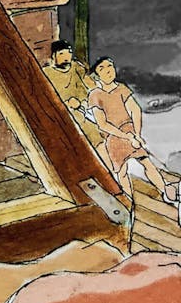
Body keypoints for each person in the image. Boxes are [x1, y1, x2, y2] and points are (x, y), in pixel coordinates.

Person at [87, 56, 179, 204]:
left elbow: (135, 110)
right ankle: (128, 202)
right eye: (102, 68)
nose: (108, 71)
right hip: (114, 136)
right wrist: (127, 137)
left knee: (146, 162)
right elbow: (102, 124)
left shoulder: (122, 88)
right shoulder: (95, 95)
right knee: (121, 171)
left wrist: (136, 134)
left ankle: (165, 191)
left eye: (110, 66)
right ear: (96, 75)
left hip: (130, 132)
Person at [42, 40, 106, 163]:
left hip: (80, 111)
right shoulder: (47, 73)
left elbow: (85, 89)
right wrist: (66, 104)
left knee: (97, 135)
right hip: (59, 115)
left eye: (68, 53)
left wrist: (82, 101)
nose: (66, 57)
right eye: (61, 54)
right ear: (54, 56)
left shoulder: (76, 68)